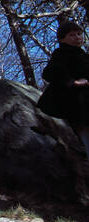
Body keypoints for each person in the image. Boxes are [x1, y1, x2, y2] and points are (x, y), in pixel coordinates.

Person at [36, 20, 89, 157]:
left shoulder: (84, 55)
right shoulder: (61, 54)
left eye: (79, 34)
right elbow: (49, 72)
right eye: (72, 35)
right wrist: (72, 82)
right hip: (78, 106)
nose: (77, 37)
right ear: (62, 39)